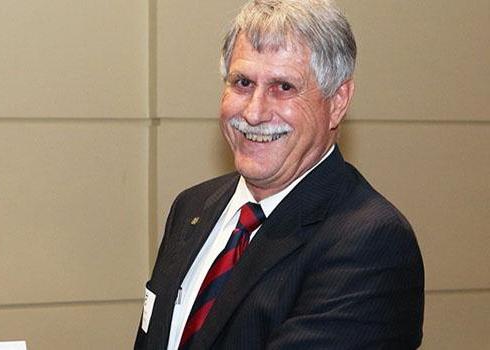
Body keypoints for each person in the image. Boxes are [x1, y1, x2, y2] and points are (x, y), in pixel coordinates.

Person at [135, 0, 424, 349]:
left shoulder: (371, 242)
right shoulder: (192, 207)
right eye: (242, 82)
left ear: (338, 101)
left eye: (283, 87)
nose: (254, 112)